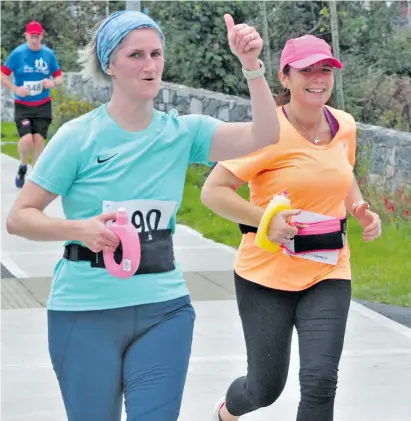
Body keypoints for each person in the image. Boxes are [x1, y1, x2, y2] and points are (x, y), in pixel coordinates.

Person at [6, 10, 281, 421]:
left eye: (156, 53)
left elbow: (266, 134)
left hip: (163, 309)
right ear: (109, 65)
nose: (150, 65)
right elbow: (19, 217)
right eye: (136, 55)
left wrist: (252, 67)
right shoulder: (78, 137)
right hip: (85, 311)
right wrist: (77, 229)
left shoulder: (183, 133)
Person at [201, 34, 382, 421]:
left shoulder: (344, 125)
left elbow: (343, 172)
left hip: (328, 269)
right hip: (265, 277)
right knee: (264, 388)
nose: (318, 78)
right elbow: (213, 192)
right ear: (285, 77)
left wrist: (360, 209)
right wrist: (266, 219)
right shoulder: (266, 134)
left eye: (325, 70)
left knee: (320, 382)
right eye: (307, 70)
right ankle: (227, 412)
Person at [1, 20, 64, 188]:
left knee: (38, 138)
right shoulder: (18, 54)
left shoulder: (48, 54)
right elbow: (2, 74)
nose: (34, 40)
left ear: (42, 36)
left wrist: (53, 83)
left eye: (37, 37)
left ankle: (35, 173)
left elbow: (59, 76)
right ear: (26, 36)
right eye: (32, 37)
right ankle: (23, 166)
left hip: (43, 103)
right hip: (23, 104)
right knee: (27, 138)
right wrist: (15, 88)